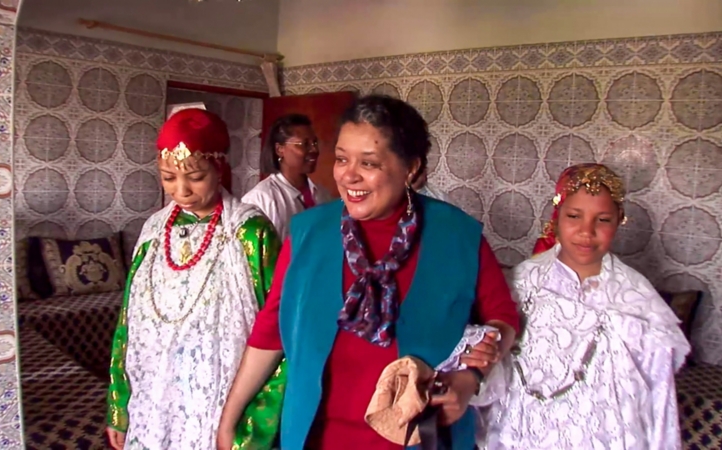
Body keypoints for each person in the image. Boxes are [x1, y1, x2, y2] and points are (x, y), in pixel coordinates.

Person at [217, 95, 520, 450]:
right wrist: (229, 421)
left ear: (410, 168)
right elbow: (270, 333)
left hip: (422, 436)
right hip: (318, 437)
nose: (349, 175)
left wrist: (471, 378)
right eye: (341, 158)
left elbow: (503, 319)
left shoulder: (457, 235)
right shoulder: (308, 234)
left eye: (369, 163)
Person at [105, 109, 285, 450]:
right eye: (168, 177)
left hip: (217, 395)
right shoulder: (154, 231)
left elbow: (276, 327)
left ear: (220, 169)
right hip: (154, 395)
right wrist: (119, 404)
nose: (181, 190)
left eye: (196, 176)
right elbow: (129, 321)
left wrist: (251, 423)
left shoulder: (249, 232)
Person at [478, 163, 690, 449]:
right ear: (557, 216)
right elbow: (494, 362)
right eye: (574, 216)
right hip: (519, 430)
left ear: (619, 220)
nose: (586, 231)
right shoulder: (521, 282)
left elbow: (660, 397)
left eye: (602, 220)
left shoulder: (637, 300)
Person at [242, 114, 333, 240]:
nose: (314, 150)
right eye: (304, 144)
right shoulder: (260, 200)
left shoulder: (322, 195)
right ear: (280, 149)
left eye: (315, 142)